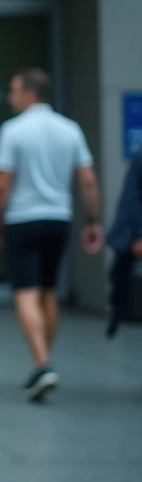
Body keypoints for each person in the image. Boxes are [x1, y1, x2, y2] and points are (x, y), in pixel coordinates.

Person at [0, 68, 102, 402]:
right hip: (59, 219)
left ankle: (42, 361)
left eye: (13, 90)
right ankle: (43, 363)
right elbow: (89, 181)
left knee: (25, 290)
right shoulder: (70, 130)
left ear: (29, 93)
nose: (10, 98)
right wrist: (92, 219)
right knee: (48, 290)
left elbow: (1, 184)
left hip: (23, 219)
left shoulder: (13, 131)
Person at [106, 145, 142, 340]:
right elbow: (134, 197)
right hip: (132, 230)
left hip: (132, 230)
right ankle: (119, 309)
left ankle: (119, 308)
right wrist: (139, 234)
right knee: (121, 272)